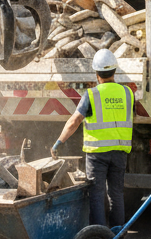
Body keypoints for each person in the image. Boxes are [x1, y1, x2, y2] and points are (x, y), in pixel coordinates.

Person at [53, 48, 133, 229]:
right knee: (116, 195)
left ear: (97, 74)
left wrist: (59, 142)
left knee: (97, 196)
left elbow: (75, 121)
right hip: (120, 152)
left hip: (97, 154)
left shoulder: (91, 95)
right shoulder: (128, 94)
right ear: (115, 71)